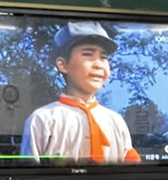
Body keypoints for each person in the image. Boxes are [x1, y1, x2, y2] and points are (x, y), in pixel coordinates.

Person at [20, 21, 141, 164]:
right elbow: (30, 171)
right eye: (88, 55)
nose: (98, 64)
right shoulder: (43, 119)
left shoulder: (115, 121)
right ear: (63, 65)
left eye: (103, 57)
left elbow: (132, 169)